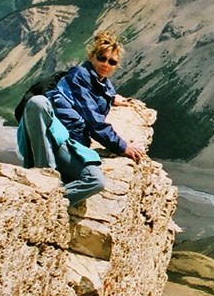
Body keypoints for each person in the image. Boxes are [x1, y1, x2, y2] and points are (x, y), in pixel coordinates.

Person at [17, 31, 146, 205]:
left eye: (112, 62)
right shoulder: (79, 75)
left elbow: (96, 94)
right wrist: (122, 146)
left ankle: (50, 203)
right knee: (39, 102)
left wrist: (112, 98)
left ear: (116, 66)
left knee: (95, 182)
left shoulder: (103, 84)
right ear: (92, 57)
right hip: (59, 139)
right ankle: (44, 178)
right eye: (101, 58)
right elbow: (94, 122)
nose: (105, 64)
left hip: (75, 143)